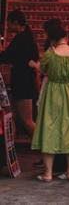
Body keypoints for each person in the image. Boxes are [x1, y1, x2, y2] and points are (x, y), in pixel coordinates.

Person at [32, 19, 69, 182]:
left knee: (49, 129)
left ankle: (48, 174)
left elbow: (42, 69)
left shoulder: (50, 54)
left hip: (52, 92)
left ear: (52, 39)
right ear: (66, 37)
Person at [0, 10, 39, 138]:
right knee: (19, 118)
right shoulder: (27, 36)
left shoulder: (22, 39)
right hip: (25, 81)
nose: (8, 27)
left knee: (27, 121)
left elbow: (7, 57)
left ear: (16, 23)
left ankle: (46, 149)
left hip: (23, 83)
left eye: (9, 23)